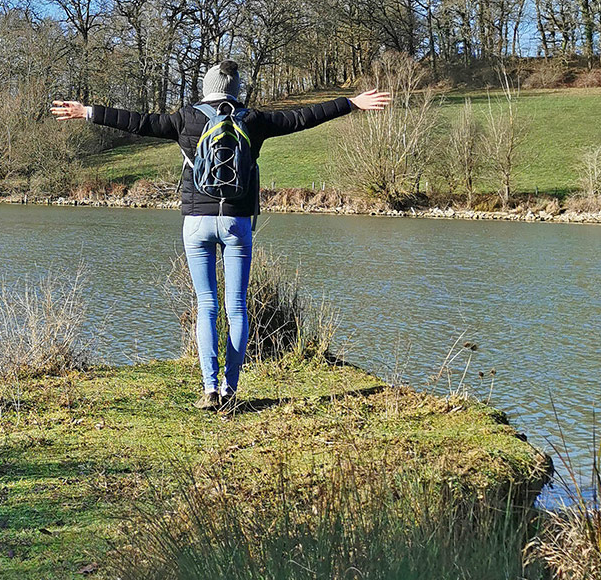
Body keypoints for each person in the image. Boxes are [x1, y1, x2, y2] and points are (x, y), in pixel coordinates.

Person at [51, 62, 391, 411]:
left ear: (206, 87)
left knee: (206, 305)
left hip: (196, 223)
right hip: (237, 223)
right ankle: (230, 388)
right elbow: (303, 116)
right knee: (237, 308)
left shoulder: (186, 118)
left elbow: (137, 121)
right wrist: (351, 102)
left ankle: (209, 388)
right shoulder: (252, 120)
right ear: (236, 89)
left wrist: (87, 111)